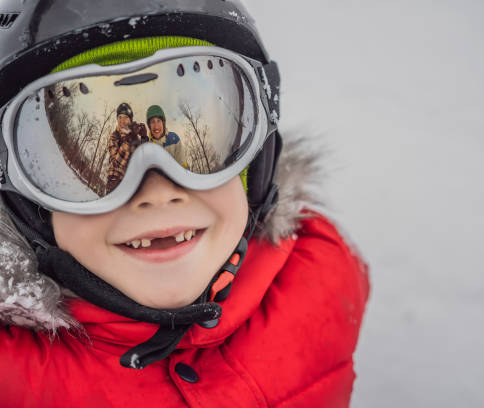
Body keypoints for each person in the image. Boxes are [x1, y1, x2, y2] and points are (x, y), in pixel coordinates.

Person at [0, 1, 369, 407]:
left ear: (256, 160)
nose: (157, 192)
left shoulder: (316, 278)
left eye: (206, 145)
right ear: (23, 203)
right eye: (78, 170)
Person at [107, 102, 148, 193]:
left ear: (130, 120)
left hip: (131, 183)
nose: (122, 120)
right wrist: (129, 139)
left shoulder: (135, 136)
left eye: (126, 117)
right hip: (116, 179)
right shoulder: (114, 136)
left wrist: (144, 139)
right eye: (120, 117)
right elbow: (117, 162)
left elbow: (142, 160)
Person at [146, 104, 188, 168]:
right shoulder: (146, 146)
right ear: (149, 126)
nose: (156, 126)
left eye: (158, 121)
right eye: (152, 122)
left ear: (163, 123)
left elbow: (183, 166)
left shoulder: (173, 139)